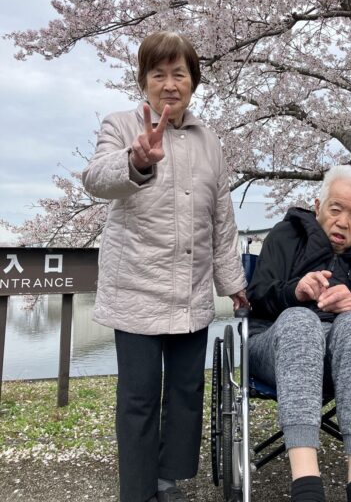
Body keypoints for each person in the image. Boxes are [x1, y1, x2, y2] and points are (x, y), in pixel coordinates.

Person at [82, 31, 247, 502]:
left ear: (193, 82)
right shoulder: (120, 125)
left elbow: (221, 217)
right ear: (143, 81)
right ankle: (138, 491)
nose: (169, 84)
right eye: (158, 74)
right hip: (135, 288)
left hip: (190, 291)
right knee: (138, 397)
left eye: (179, 74)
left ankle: (166, 479)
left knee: (186, 391)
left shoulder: (208, 140)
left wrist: (232, 282)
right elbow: (95, 178)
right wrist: (136, 160)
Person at [246, 165, 351, 502]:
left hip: (340, 359)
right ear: (318, 205)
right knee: (301, 320)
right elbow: (258, 295)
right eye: (336, 209)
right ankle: (306, 485)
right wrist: (294, 291)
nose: (343, 222)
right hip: (273, 343)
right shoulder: (285, 235)